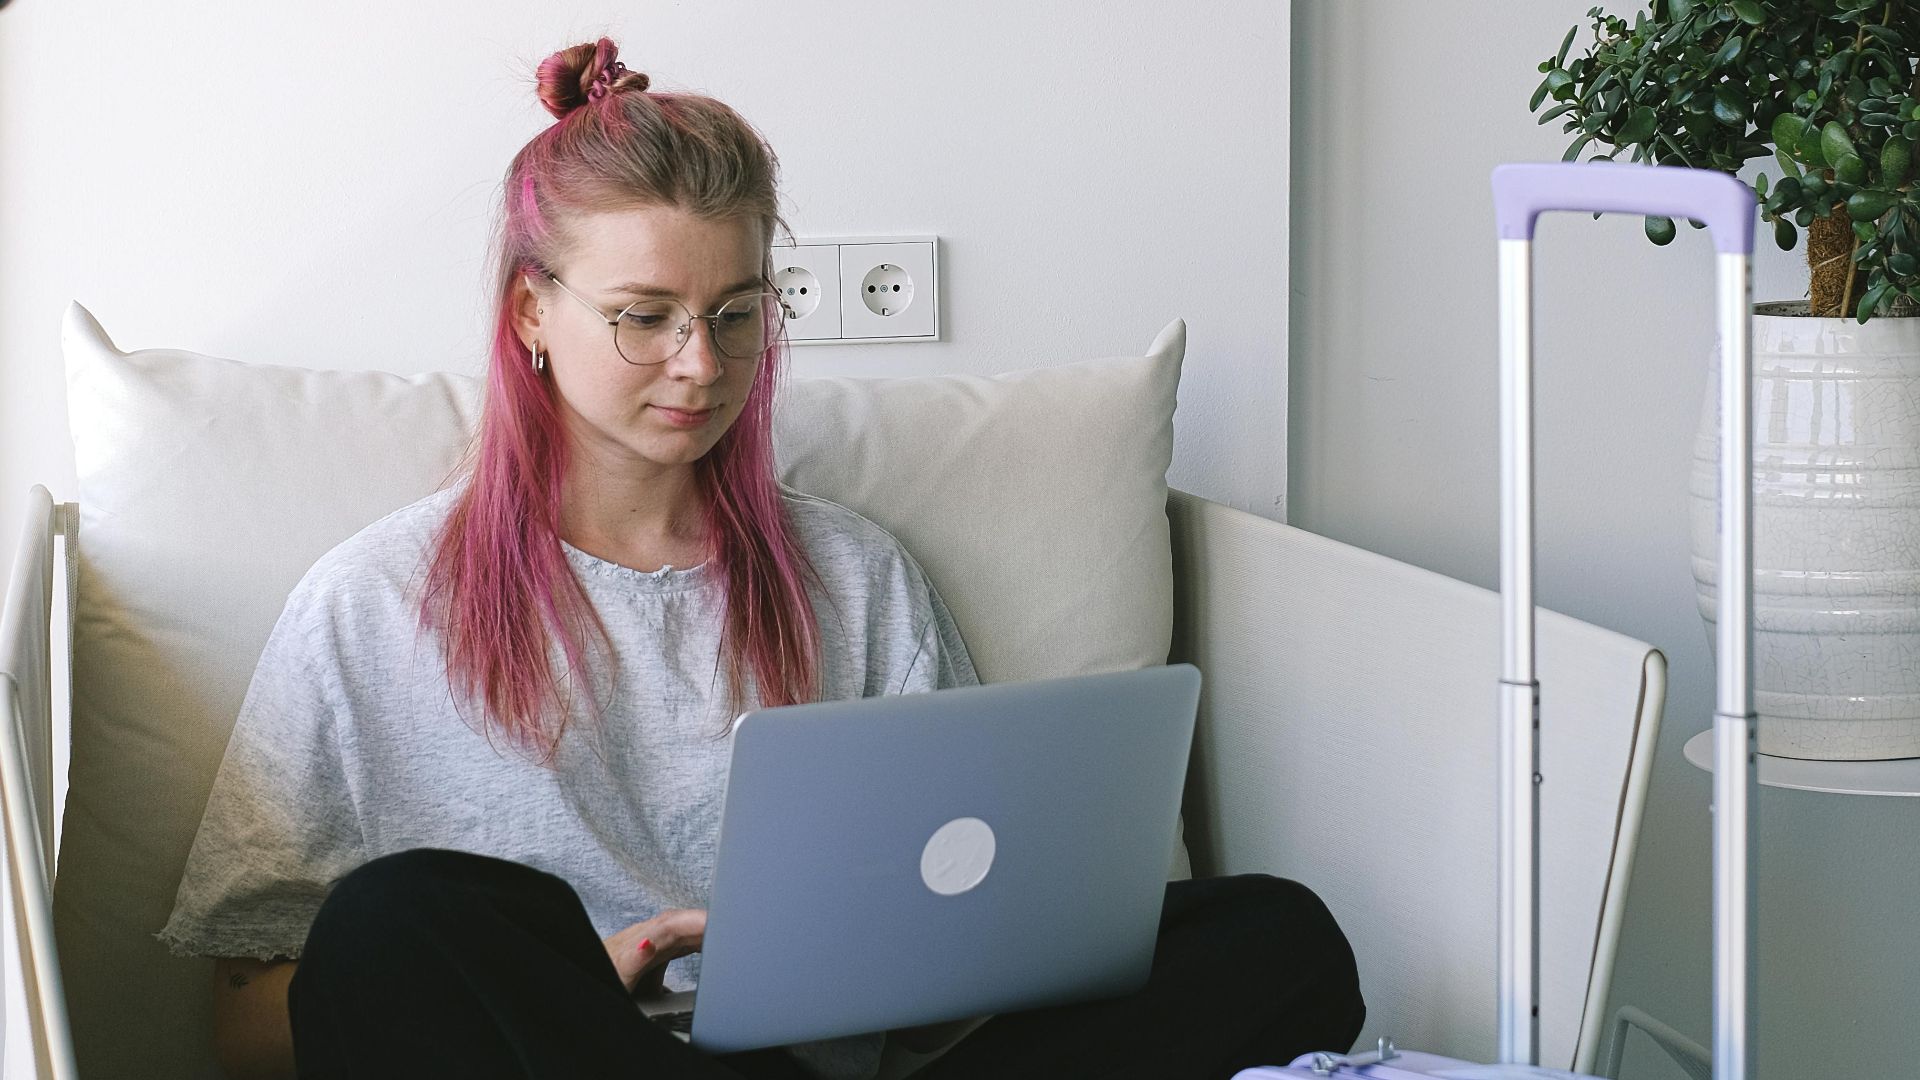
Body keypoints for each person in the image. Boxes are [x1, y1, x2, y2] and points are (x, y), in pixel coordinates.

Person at [155, 36, 1365, 1080]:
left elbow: (961, 917)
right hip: (564, 1053)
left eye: (737, 313)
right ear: (531, 310)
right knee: (402, 920)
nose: (701, 363)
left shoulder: (854, 576)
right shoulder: (373, 603)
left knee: (1273, 937)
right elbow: (250, 1028)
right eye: (646, 317)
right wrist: (585, 976)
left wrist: (947, 974)